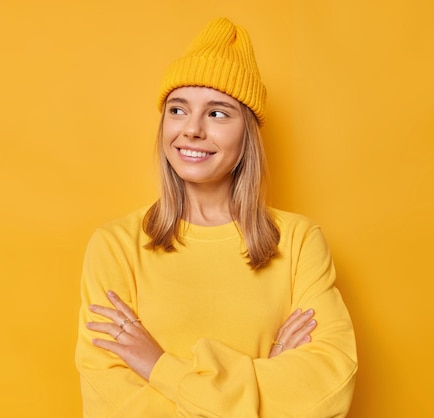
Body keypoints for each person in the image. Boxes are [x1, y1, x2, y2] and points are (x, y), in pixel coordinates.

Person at [75, 17, 357, 417]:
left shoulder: (298, 241)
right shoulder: (115, 246)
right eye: (178, 109)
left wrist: (159, 368)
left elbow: (328, 390)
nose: (191, 129)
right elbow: (111, 405)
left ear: (248, 133)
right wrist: (269, 371)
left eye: (218, 113)